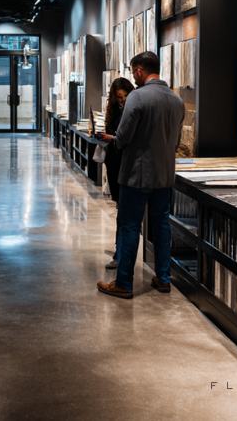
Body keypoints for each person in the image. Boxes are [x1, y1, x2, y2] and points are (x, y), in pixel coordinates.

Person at [95, 52, 184, 299]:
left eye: (134, 71)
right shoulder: (176, 101)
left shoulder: (138, 96)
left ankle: (123, 282)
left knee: (129, 226)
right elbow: (175, 141)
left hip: (136, 175)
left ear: (139, 71)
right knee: (161, 225)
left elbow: (122, 140)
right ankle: (164, 278)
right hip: (164, 176)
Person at [99, 77, 134, 269]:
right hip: (114, 162)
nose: (122, 101)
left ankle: (120, 255)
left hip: (125, 164)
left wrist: (112, 137)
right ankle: (119, 253)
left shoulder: (132, 110)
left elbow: (126, 138)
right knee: (121, 210)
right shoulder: (113, 112)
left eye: (125, 97)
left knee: (125, 214)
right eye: (119, 98)